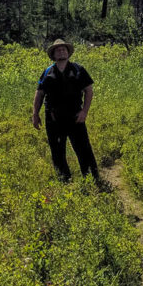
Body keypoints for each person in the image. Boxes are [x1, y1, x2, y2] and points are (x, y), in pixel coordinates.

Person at [32, 38, 99, 181]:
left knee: (83, 149)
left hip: (75, 116)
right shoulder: (47, 72)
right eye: (58, 50)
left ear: (68, 52)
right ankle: (64, 180)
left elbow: (89, 91)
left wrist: (84, 112)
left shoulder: (78, 69)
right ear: (54, 55)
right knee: (57, 151)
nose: (61, 51)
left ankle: (92, 179)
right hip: (53, 118)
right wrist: (35, 114)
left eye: (64, 49)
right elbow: (39, 94)